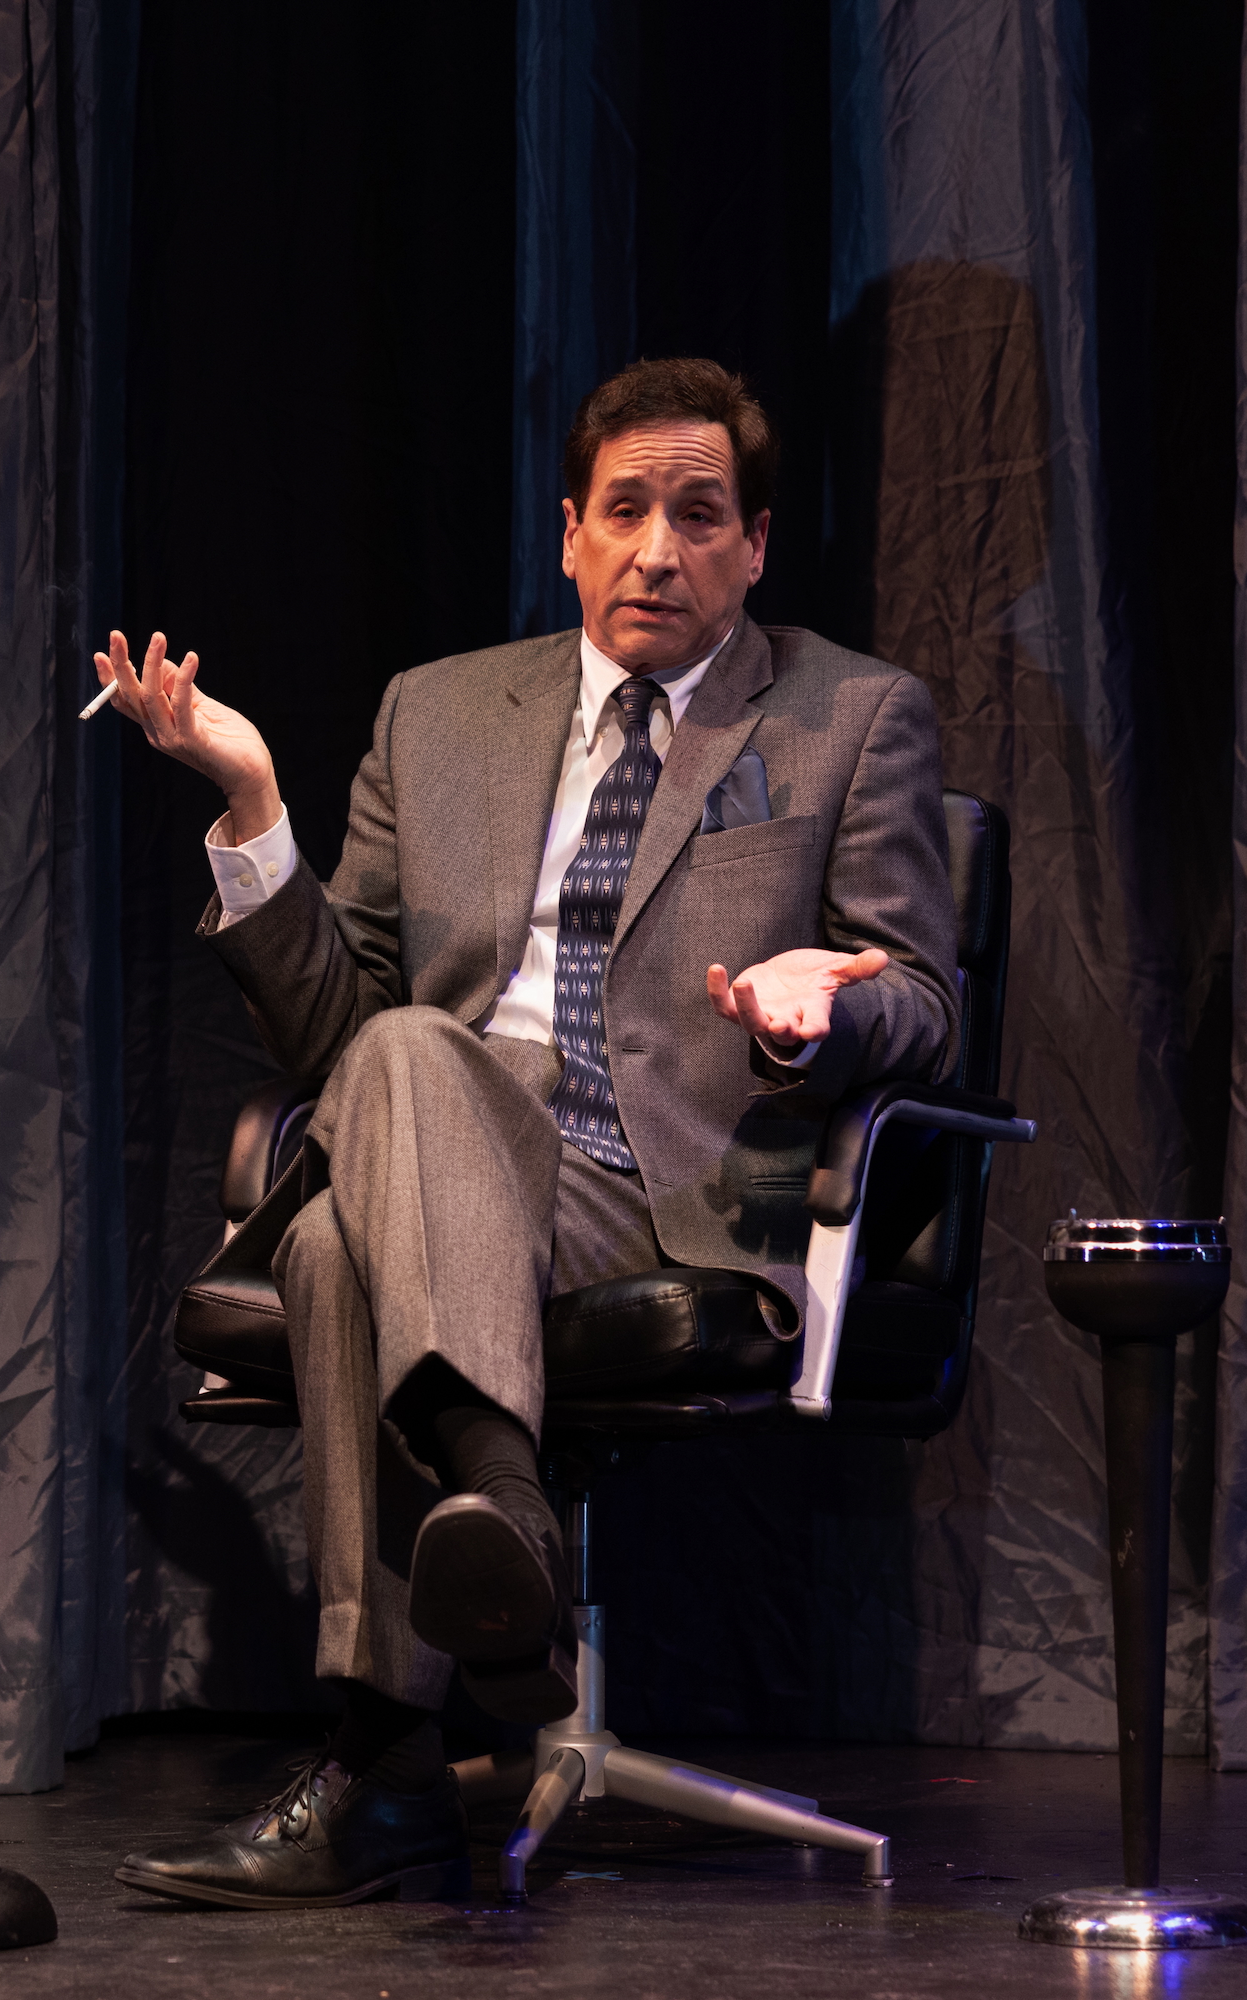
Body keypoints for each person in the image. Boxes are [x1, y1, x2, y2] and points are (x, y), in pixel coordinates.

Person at [97, 358, 957, 1910]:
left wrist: (817, 1003)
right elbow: (330, 1026)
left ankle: (387, 1760)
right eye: (624, 510)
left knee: (343, 1220)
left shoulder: (850, 716)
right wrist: (248, 807)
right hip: (449, 1149)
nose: (657, 549)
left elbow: (928, 1009)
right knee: (392, 1108)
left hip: (671, 1188)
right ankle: (493, 1528)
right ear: (569, 532)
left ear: (754, 546)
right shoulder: (436, 715)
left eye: (701, 516)